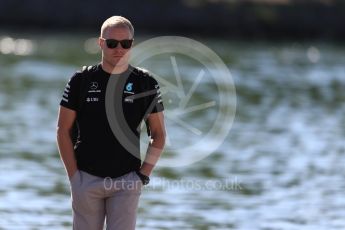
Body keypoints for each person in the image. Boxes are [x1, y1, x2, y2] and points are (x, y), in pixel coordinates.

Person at [56, 16, 166, 230]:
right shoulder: (80, 80)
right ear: (100, 43)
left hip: (127, 180)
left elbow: (159, 135)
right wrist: (74, 177)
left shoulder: (146, 83)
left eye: (125, 44)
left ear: (132, 44)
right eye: (112, 43)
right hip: (85, 178)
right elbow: (63, 130)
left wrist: (142, 176)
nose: (119, 49)